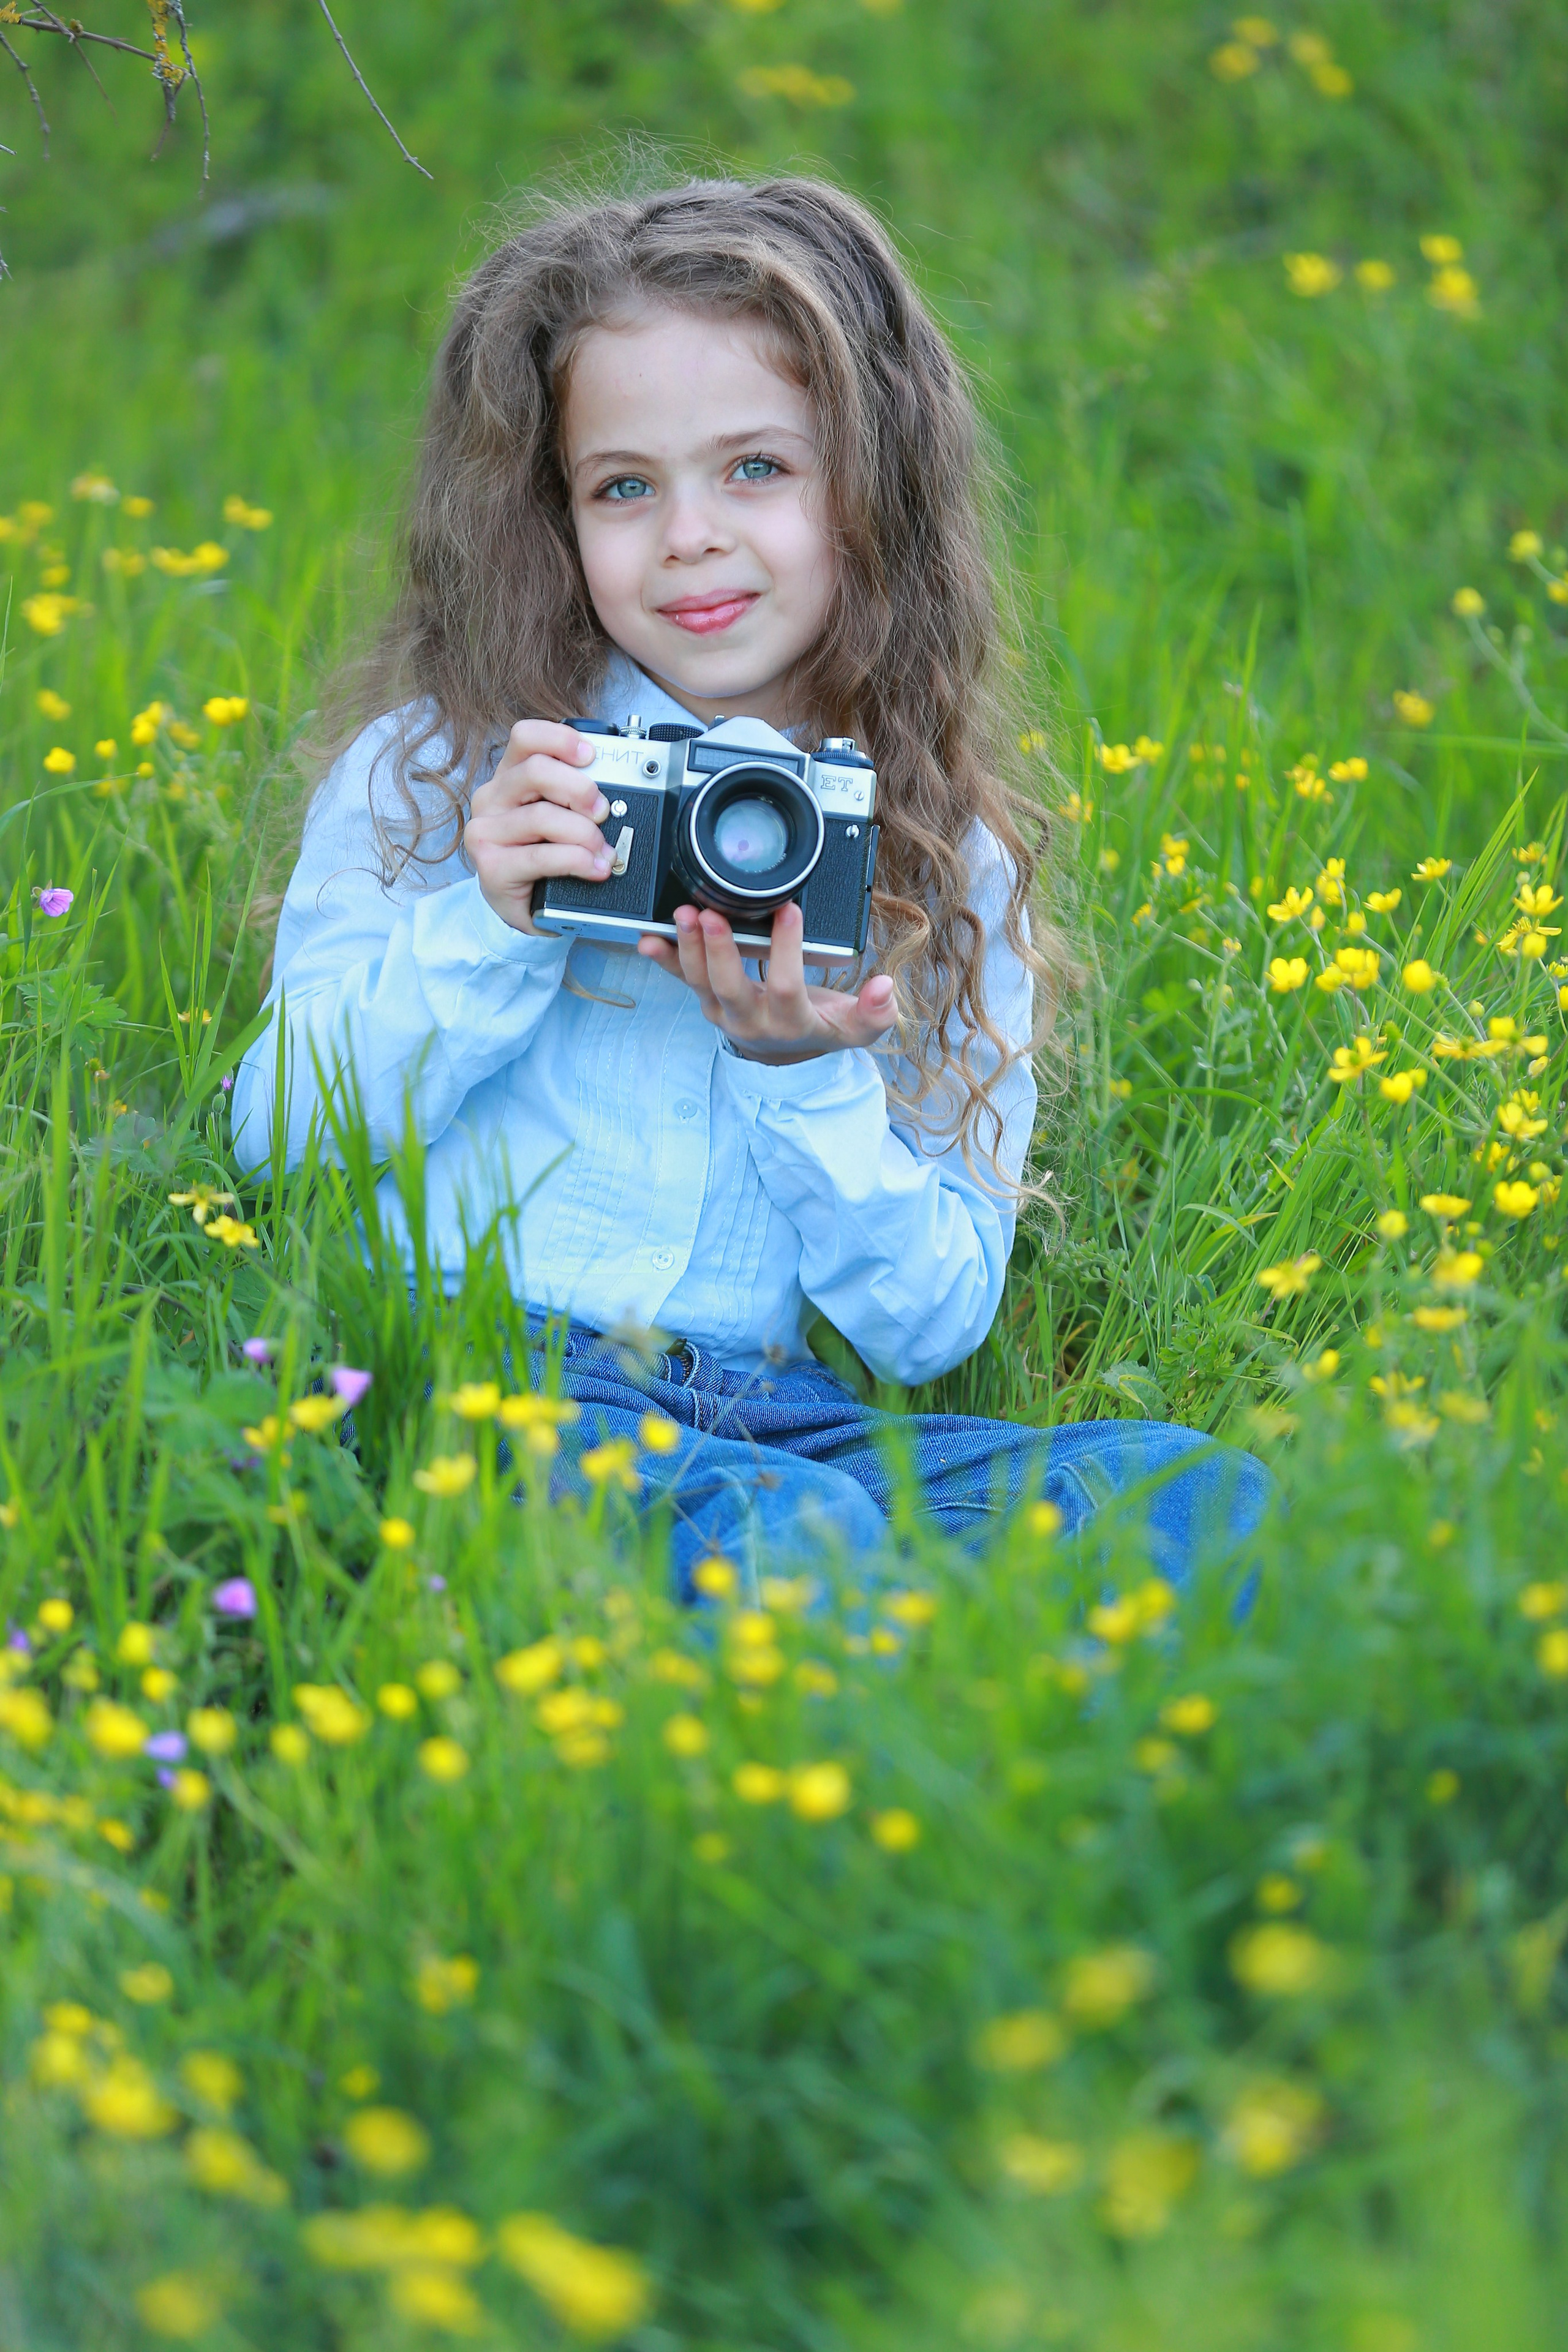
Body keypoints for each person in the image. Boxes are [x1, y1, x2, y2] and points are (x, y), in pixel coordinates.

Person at [234, 176, 1267, 1593]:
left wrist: (800, 1074)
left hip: (777, 1417)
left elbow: (929, 1329)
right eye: (623, 487)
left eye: (756, 470)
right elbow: (275, 1137)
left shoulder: (936, 853)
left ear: (870, 485)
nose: (690, 538)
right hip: (476, 1373)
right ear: (552, 517)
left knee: (1192, 1498)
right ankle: (869, 1700)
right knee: (793, 1538)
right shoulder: (450, 772)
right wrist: (487, 925)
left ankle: (946, 1703)